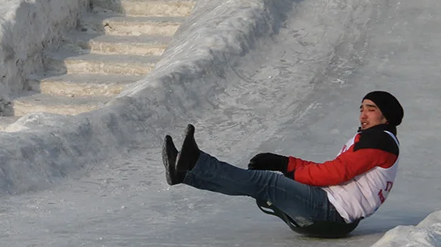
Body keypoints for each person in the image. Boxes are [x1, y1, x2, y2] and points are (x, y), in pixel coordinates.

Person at [161, 91, 403, 237]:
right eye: (361, 109)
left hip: (331, 215)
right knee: (263, 184)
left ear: (387, 116)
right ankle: (185, 173)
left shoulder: (379, 140)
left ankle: (194, 163)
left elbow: (334, 173)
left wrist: (285, 172)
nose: (363, 114)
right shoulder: (375, 139)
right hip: (332, 212)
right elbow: (331, 169)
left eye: (370, 109)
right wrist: (285, 163)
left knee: (265, 182)